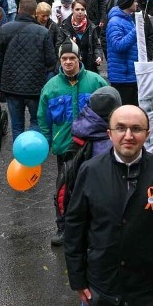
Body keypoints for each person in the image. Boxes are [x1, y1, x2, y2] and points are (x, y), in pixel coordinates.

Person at [64, 105, 153, 306]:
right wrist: (77, 278)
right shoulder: (90, 171)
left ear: (147, 134)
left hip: (148, 289)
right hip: (100, 287)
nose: (128, 135)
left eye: (136, 129)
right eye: (120, 128)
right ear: (109, 133)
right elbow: (74, 227)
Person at [39, 41, 109, 246]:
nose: (68, 62)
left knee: (94, 187)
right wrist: (45, 142)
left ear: (79, 59)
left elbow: (112, 111)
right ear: (60, 61)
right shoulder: (50, 87)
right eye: (64, 58)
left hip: (93, 146)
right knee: (64, 188)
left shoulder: (96, 82)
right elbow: (43, 119)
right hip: (65, 148)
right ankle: (64, 228)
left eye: (72, 58)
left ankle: (93, 227)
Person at [0, 0, 57, 140]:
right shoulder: (43, 32)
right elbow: (51, 62)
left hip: (11, 86)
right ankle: (32, 152)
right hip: (35, 87)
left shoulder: (4, 29)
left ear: (18, 9)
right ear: (35, 12)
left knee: (16, 126)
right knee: (35, 122)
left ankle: (19, 156)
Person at [106, 0, 140, 105]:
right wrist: (136, 32)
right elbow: (118, 46)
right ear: (128, 2)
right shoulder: (114, 22)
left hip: (131, 75)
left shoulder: (130, 20)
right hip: (121, 77)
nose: (137, 4)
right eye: (134, 1)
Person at [56, 0, 103, 73]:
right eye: (77, 9)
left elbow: (96, 45)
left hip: (88, 66)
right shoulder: (64, 26)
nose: (80, 12)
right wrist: (69, 43)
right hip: (70, 66)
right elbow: (58, 47)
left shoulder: (91, 26)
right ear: (72, 10)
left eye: (82, 9)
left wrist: (98, 56)